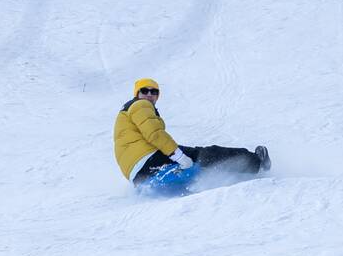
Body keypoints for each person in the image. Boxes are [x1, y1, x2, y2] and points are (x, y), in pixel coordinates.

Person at [114, 78, 271, 187]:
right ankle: (255, 162)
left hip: (137, 175)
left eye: (154, 91)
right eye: (144, 90)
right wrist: (179, 156)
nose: (149, 94)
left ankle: (184, 183)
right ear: (137, 93)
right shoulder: (140, 105)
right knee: (203, 155)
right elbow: (154, 134)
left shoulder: (126, 111)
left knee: (192, 162)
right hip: (148, 159)